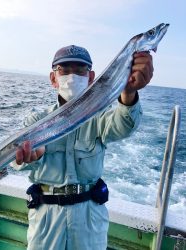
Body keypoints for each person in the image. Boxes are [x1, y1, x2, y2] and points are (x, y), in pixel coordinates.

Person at [14, 45, 153, 250]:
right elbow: (15, 160)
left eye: (80, 70)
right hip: (46, 220)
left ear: (91, 78)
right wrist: (30, 158)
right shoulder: (37, 121)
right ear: (53, 78)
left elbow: (123, 125)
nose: (72, 76)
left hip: (89, 218)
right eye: (64, 70)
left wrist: (128, 92)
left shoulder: (99, 116)